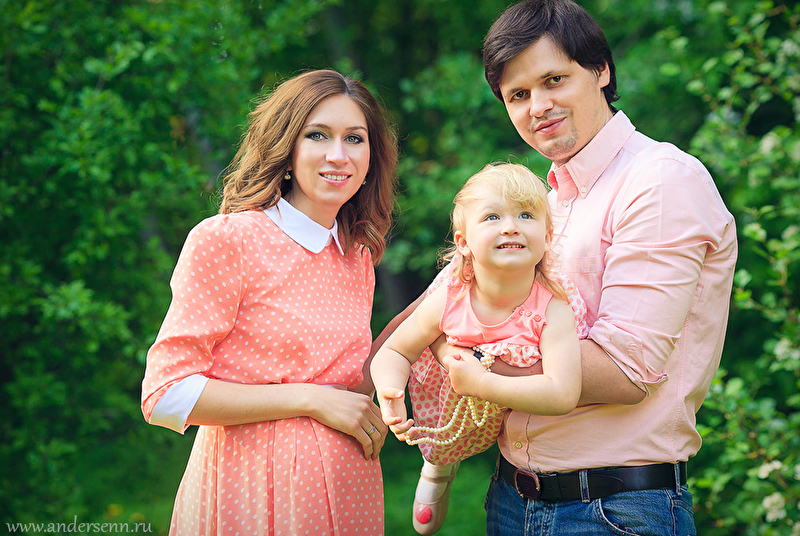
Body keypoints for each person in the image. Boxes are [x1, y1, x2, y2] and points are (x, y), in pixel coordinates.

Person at [377, 0, 738, 534]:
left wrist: (467, 358)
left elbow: (626, 371)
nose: (539, 106)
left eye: (554, 80)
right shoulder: (543, 204)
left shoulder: (658, 181)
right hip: (512, 499)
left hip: (611, 508)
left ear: (601, 70)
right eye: (518, 95)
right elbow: (451, 299)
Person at [141, 69, 398, 536]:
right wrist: (307, 399)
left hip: (347, 490)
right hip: (252, 490)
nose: (338, 155)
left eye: (354, 138)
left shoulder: (356, 256)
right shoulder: (229, 239)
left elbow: (349, 386)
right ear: (286, 148)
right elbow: (165, 395)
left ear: (371, 158)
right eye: (317, 135)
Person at [371, 162, 585, 535]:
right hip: (447, 405)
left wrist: (482, 384)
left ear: (548, 236)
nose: (511, 226)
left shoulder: (553, 307)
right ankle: (437, 468)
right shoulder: (451, 298)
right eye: (492, 217)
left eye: (525, 215)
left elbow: (563, 392)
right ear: (463, 242)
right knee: (444, 443)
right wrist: (389, 389)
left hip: (508, 406)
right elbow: (396, 350)